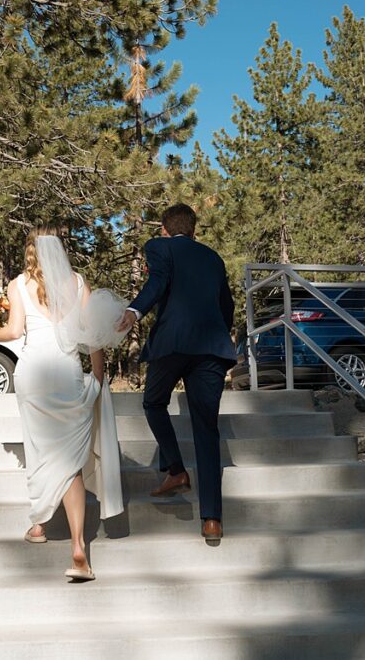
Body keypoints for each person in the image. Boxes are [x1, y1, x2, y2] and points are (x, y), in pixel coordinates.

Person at [0, 225, 126, 581]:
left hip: (33, 376)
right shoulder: (77, 283)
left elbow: (14, 332)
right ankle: (79, 549)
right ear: (58, 249)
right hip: (66, 372)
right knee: (71, 462)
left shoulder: (18, 285)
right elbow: (93, 337)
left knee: (41, 451)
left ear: (30, 250)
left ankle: (39, 525)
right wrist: (97, 377)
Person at [117, 203, 236, 545]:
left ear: (165, 229)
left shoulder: (159, 247)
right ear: (194, 230)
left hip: (172, 343)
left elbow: (158, 283)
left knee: (154, 403)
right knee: (206, 430)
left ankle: (176, 469)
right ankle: (212, 520)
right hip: (211, 348)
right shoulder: (213, 257)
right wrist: (214, 334)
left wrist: (134, 311)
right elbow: (225, 306)